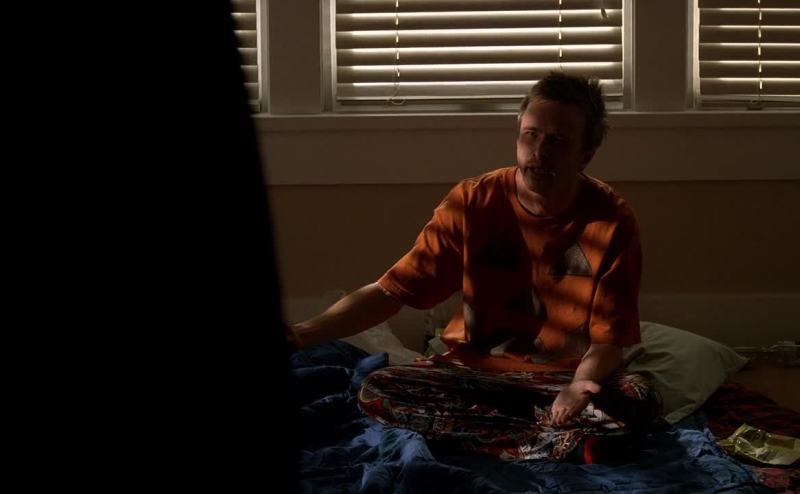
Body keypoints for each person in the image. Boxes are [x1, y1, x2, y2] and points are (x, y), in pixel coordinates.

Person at [289, 72, 660, 461]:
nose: (539, 151)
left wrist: (579, 385)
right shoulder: (472, 201)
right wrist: (301, 334)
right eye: (531, 135)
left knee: (639, 396)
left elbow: (608, 342)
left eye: (558, 141)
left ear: (586, 154)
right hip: (472, 375)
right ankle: (553, 441)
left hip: (561, 380)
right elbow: (391, 292)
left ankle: (533, 434)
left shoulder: (612, 219)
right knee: (377, 389)